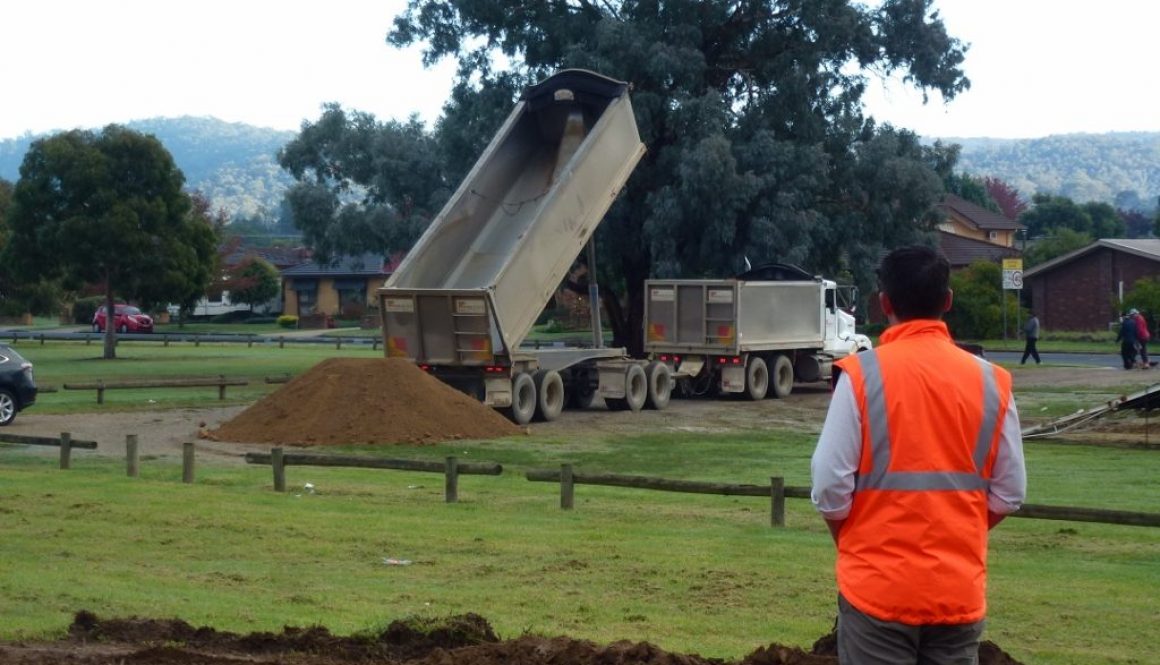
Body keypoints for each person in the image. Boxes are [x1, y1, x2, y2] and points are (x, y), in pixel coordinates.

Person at [810, 245, 1026, 665]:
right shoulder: (992, 382)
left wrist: (857, 543)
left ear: (884, 302)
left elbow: (828, 487)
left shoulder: (860, 375)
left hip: (876, 591)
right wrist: (956, 533)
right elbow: (1010, 492)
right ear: (947, 301)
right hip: (956, 590)